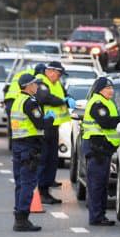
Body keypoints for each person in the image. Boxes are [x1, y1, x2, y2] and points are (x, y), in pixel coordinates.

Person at [82, 77, 120, 226]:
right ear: (100, 90)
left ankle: (99, 215)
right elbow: (105, 122)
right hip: (96, 148)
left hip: (103, 149)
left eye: (112, 88)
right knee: (96, 185)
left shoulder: (107, 102)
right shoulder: (97, 103)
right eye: (107, 88)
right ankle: (96, 217)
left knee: (101, 185)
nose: (111, 91)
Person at [35, 61, 76, 204]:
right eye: (58, 74)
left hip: (54, 127)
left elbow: (64, 94)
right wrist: (62, 101)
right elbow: (45, 98)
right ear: (50, 71)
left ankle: (47, 190)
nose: (59, 77)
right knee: (44, 160)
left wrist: (68, 97)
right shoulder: (41, 82)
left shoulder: (56, 84)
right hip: (44, 127)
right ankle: (41, 191)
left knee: (52, 160)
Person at [10, 74, 47, 232]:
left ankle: (19, 215)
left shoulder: (17, 100)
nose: (37, 86)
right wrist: (49, 120)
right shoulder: (30, 102)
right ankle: (22, 219)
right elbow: (39, 123)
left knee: (20, 182)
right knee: (28, 183)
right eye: (34, 84)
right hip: (29, 146)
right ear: (28, 86)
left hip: (18, 145)